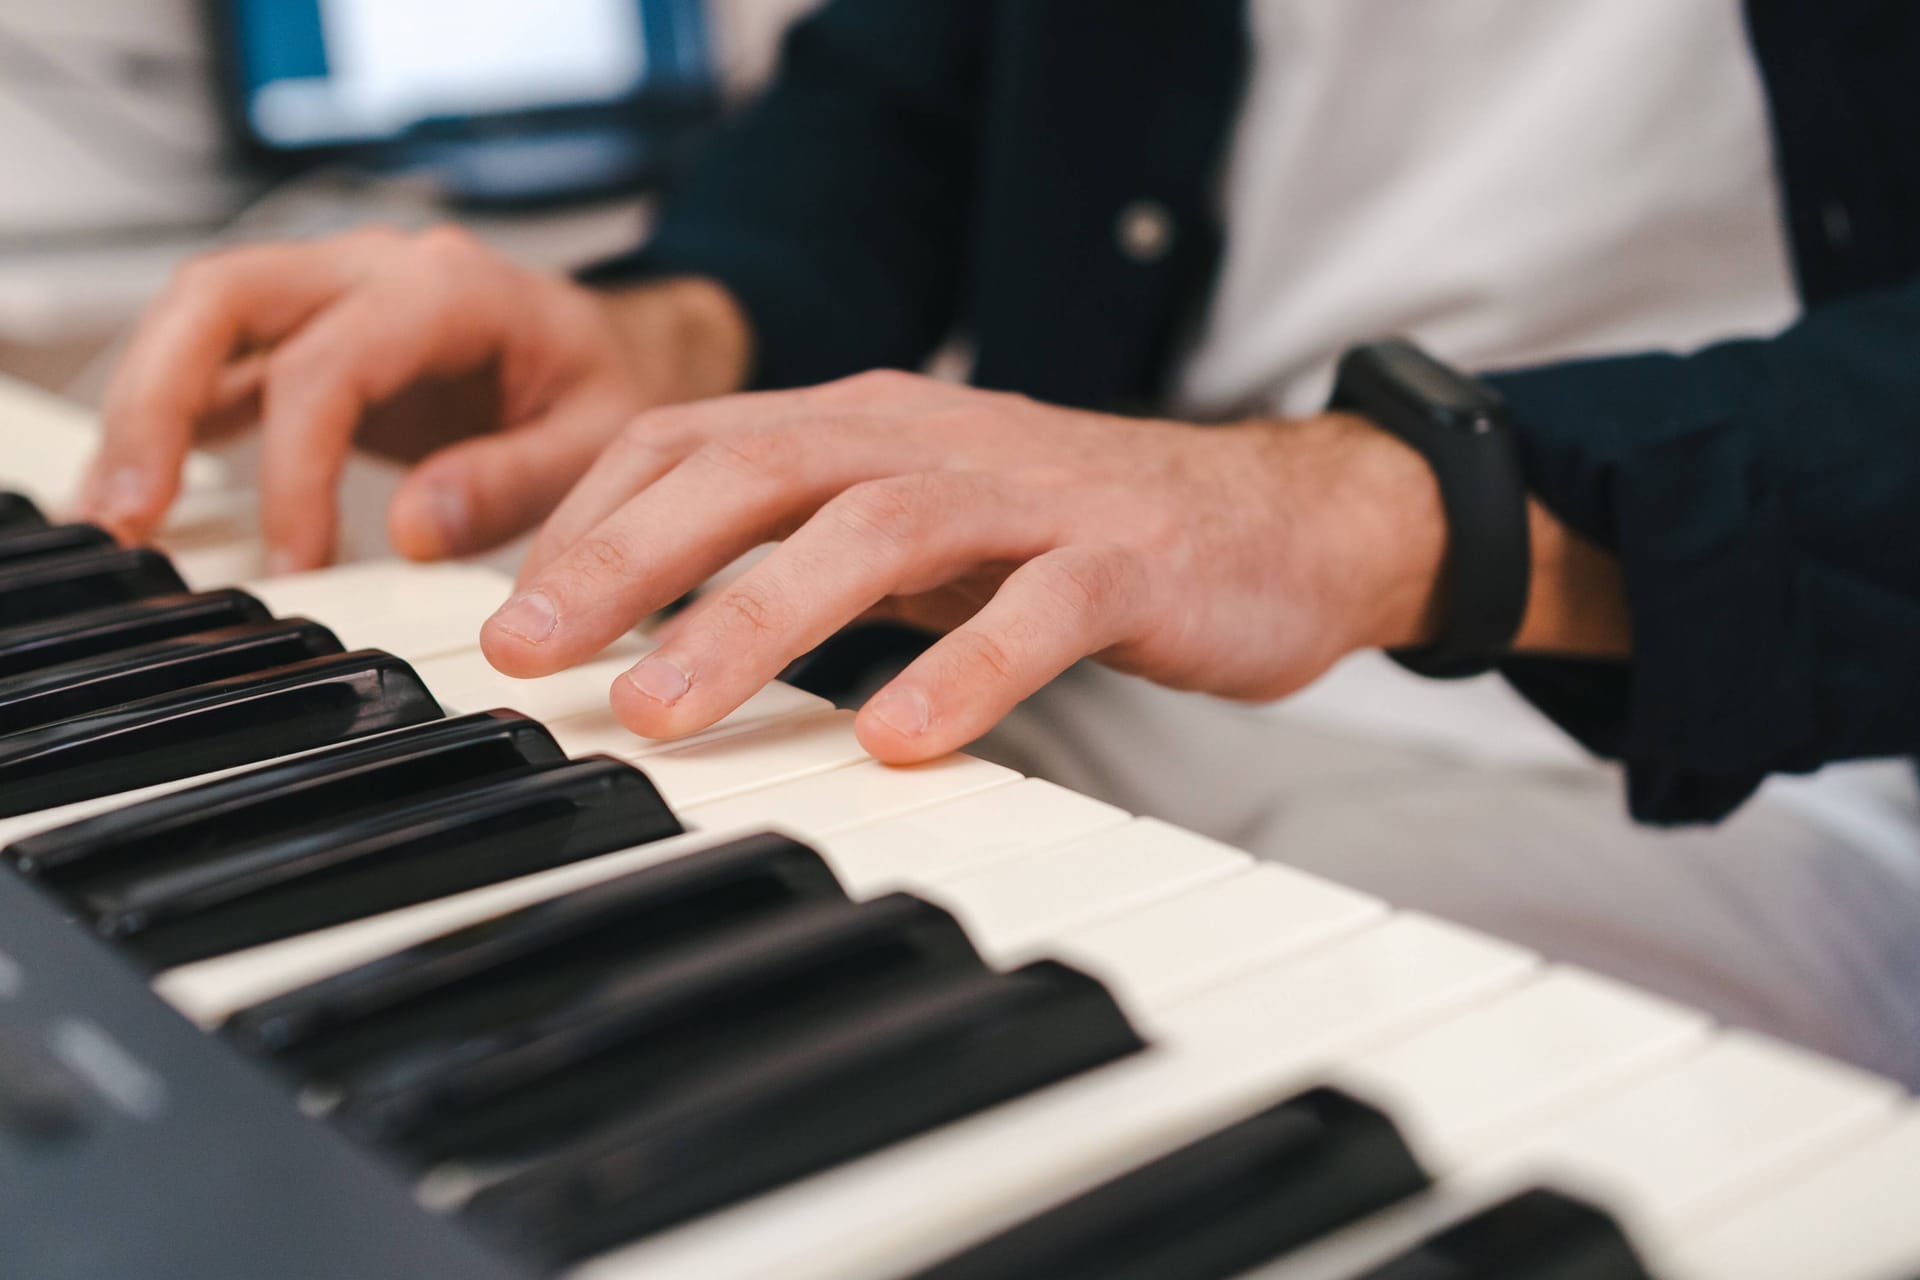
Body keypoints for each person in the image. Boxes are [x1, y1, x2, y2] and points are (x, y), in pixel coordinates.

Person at [77, 0, 1920, 1083]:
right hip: (1086, 647)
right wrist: (681, 324)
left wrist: (1366, 502)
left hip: (1772, 755)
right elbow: (909, 78)